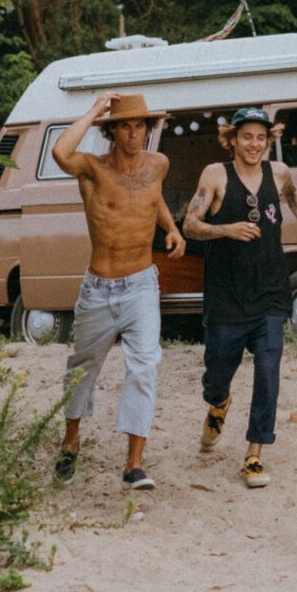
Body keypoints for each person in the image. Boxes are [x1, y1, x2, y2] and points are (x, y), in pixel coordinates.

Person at [48, 92, 184, 491]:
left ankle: (134, 464)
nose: (134, 133)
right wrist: (93, 111)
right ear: (110, 130)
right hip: (100, 288)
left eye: (140, 125)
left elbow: (152, 196)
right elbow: (60, 151)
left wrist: (171, 227)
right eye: (125, 125)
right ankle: (71, 443)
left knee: (144, 365)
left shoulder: (158, 164)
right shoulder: (91, 168)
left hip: (142, 283)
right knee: (82, 369)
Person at [181, 106, 297, 489]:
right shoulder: (215, 175)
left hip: (271, 291)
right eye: (247, 137)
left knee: (269, 371)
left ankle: (254, 454)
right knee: (218, 372)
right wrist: (227, 230)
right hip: (226, 296)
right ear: (233, 139)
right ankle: (218, 402)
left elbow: (292, 195)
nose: (255, 144)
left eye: (261, 137)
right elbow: (190, 225)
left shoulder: (280, 172)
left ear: (269, 139)